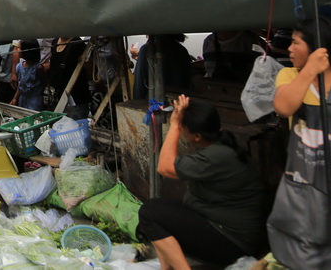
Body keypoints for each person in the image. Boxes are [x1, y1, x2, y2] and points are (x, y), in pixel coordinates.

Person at [138, 96, 265, 270]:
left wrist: (174, 125)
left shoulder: (218, 155)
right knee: (158, 212)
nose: (181, 130)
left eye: (183, 127)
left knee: (149, 212)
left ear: (197, 136)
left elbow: (164, 167)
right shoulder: (219, 145)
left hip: (233, 243)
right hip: (220, 228)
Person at [267, 17, 331, 268]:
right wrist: (309, 71)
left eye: (295, 43)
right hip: (302, 181)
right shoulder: (290, 75)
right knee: (299, 243)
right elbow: (283, 107)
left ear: (317, 45)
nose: (289, 49)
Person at [132, 34, 192, 100]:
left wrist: (136, 104)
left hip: (155, 104)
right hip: (179, 103)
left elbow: (139, 86)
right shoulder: (182, 50)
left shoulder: (147, 49)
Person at [48, 36, 92, 114]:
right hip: (58, 95)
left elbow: (87, 66)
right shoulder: (55, 42)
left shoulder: (76, 43)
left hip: (75, 95)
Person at [11, 40, 45, 111]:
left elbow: (45, 83)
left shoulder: (38, 68)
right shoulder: (19, 67)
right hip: (22, 101)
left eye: (20, 48)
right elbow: (21, 85)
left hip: (35, 102)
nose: (18, 50)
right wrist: (15, 98)